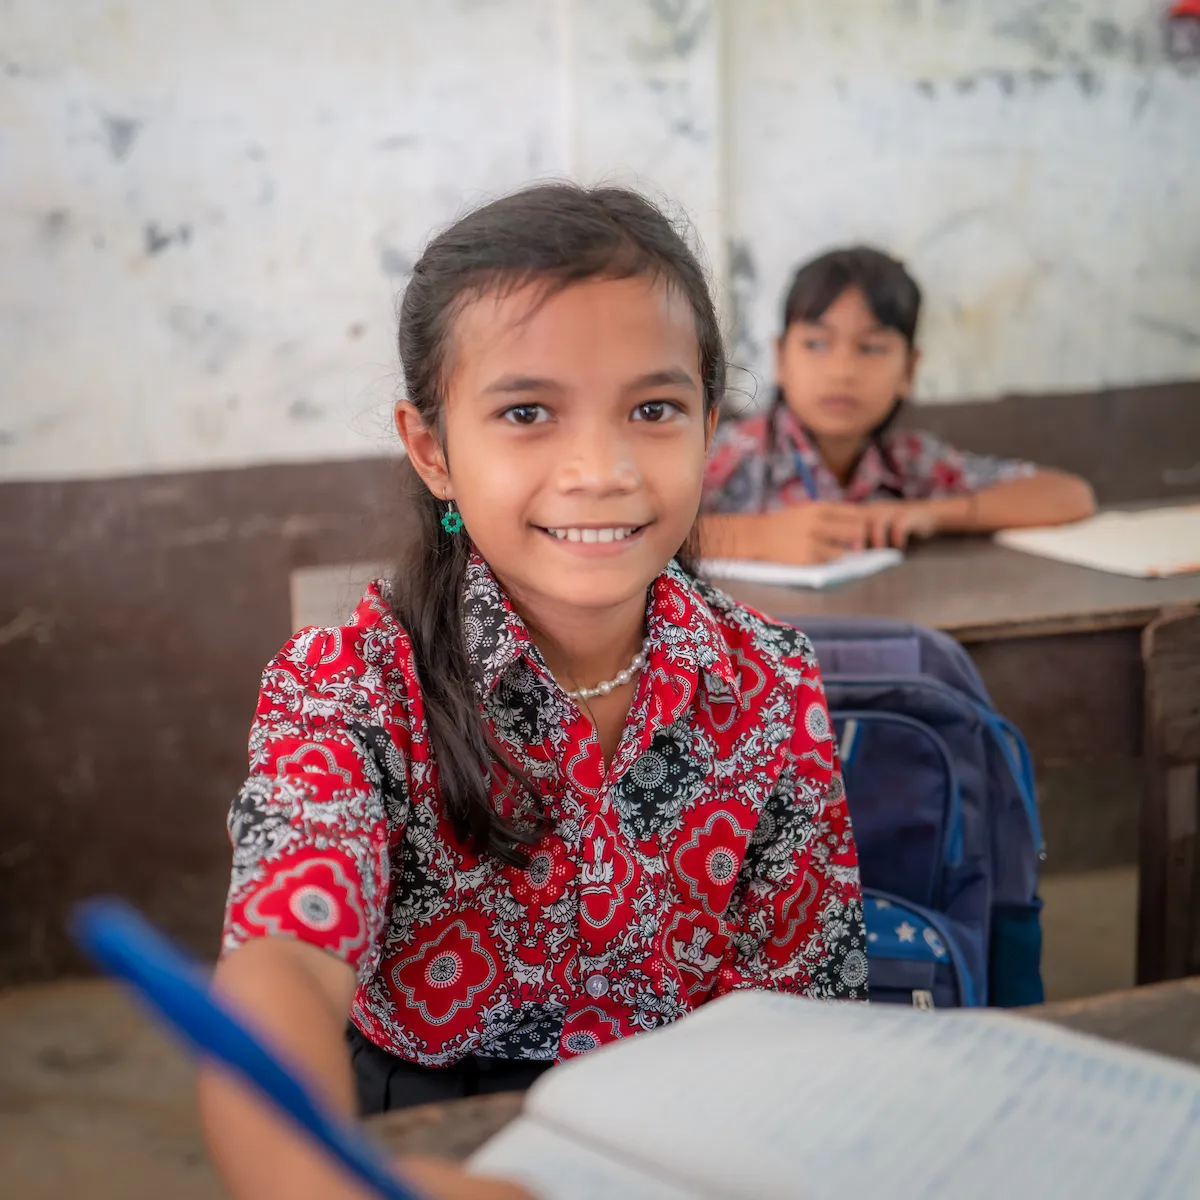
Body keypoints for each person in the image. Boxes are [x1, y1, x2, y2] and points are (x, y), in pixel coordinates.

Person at [199, 184, 866, 1200]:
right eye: (525, 412)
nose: (599, 469)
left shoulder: (771, 680)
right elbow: (284, 960)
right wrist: (304, 1174)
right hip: (424, 1132)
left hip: (700, 1138)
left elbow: (808, 1006)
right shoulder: (345, 686)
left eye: (653, 409)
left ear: (707, 428)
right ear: (433, 451)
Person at [701, 247, 1096, 565]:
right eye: (817, 344)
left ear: (908, 369)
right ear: (782, 358)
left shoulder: (907, 461)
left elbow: (1069, 495)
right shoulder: (733, 451)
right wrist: (756, 537)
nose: (842, 371)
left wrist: (929, 515)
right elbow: (646, 524)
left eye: (871, 348)